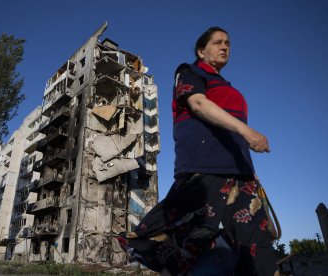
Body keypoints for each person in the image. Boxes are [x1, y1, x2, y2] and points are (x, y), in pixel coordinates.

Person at [116, 27, 279, 275]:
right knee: (195, 240)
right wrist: (247, 132)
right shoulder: (189, 73)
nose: (224, 46)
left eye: (228, 43)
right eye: (217, 42)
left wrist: (248, 170)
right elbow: (199, 104)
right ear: (201, 50)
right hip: (205, 170)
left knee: (257, 248)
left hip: (241, 177)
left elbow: (229, 134)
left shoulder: (226, 86)